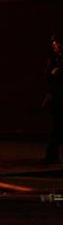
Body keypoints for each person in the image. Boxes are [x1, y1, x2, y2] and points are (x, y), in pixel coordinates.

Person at [44, 33, 63, 165]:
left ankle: (52, 155)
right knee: (56, 127)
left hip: (60, 98)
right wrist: (52, 72)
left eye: (56, 44)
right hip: (58, 99)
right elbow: (48, 76)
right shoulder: (54, 59)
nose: (54, 46)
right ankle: (52, 156)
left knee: (57, 128)